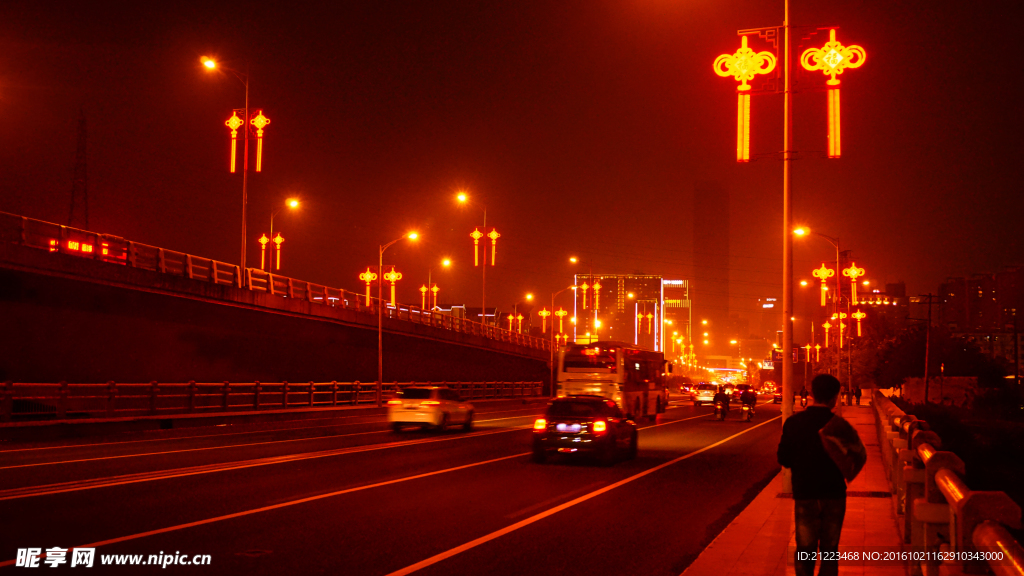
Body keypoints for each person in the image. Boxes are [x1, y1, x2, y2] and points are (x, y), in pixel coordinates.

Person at [777, 374, 865, 576]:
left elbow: (784, 458)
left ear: (812, 393)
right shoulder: (840, 426)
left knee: (805, 549)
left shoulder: (793, 423)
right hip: (833, 493)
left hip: (805, 492)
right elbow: (858, 457)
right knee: (830, 551)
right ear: (835, 397)